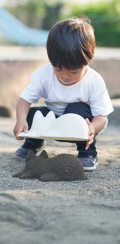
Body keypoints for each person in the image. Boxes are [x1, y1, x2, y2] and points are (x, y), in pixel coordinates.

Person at [13, 18, 114, 171]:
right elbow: (24, 100)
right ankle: (32, 144)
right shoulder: (44, 74)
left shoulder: (94, 81)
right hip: (52, 122)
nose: (65, 76)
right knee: (32, 113)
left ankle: (87, 153)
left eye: (73, 71)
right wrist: (20, 120)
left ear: (88, 60)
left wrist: (92, 128)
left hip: (79, 128)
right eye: (58, 69)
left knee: (79, 109)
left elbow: (102, 117)